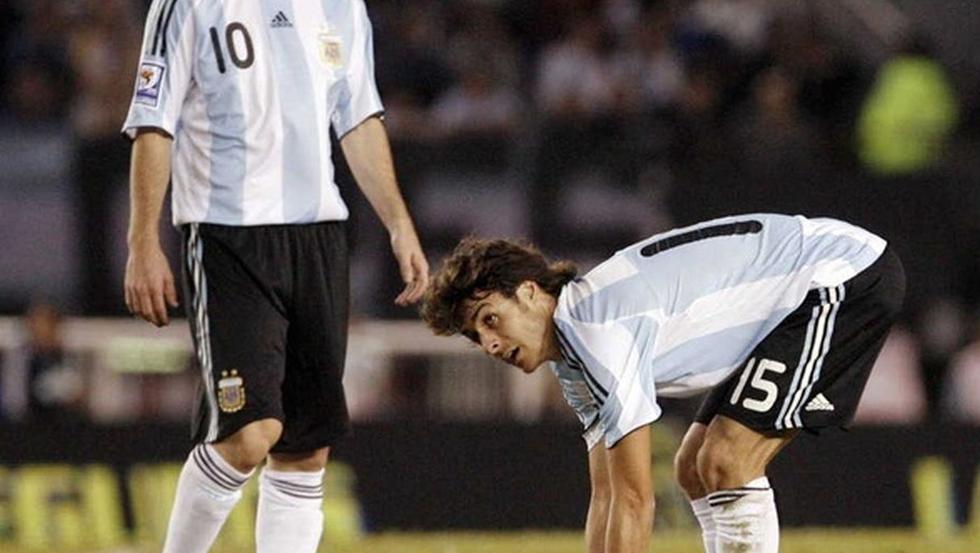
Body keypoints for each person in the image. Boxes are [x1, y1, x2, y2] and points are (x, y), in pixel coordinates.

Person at [121, 1, 428, 552]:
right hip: (227, 235)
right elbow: (152, 120)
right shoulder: (187, 5)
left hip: (318, 237)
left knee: (305, 449)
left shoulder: (341, 7)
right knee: (248, 434)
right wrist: (142, 240)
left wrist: (399, 223)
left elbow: (358, 118)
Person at [421, 213, 904, 553]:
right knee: (692, 466)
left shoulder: (597, 332)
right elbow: (607, 496)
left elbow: (635, 501)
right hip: (806, 285)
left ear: (529, 292)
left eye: (490, 319)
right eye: (475, 336)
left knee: (725, 461)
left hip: (842, 275)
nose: (489, 343)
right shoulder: (572, 349)